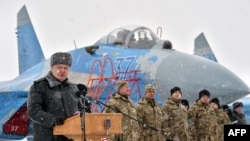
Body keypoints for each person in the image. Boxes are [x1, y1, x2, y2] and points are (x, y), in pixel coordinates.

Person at [27, 52, 79, 141]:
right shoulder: (39, 86)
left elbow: (81, 111)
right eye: (59, 67)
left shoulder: (74, 88)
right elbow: (33, 111)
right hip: (47, 137)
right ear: (51, 68)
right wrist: (52, 120)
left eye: (65, 68)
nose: (62, 70)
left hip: (71, 138)